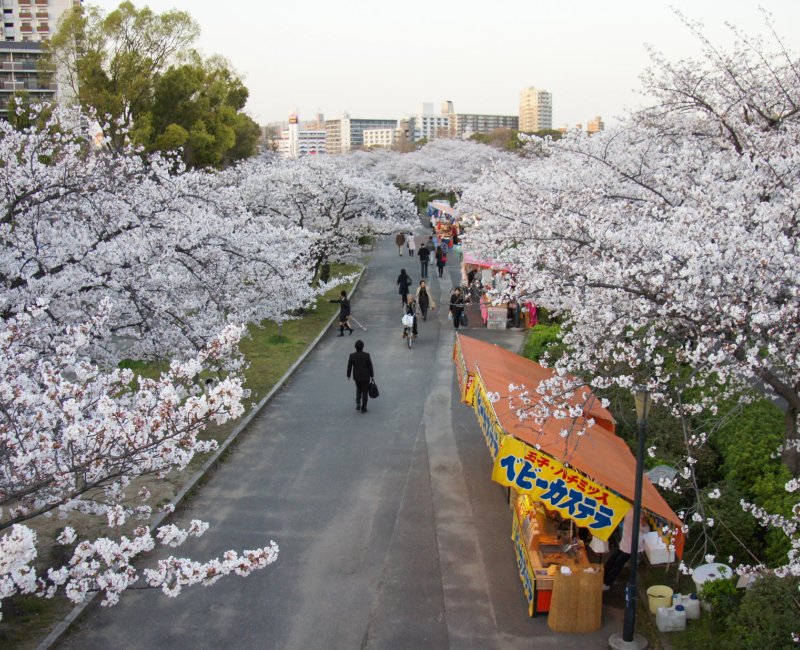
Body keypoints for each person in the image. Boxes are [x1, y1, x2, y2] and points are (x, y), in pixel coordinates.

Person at [603, 509, 649, 590]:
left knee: (614, 559)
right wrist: (645, 523)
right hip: (631, 545)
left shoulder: (629, 510)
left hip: (625, 541)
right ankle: (607, 582)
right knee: (618, 563)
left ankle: (603, 575)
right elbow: (645, 530)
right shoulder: (639, 516)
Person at [347, 339, 374, 414]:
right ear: (363, 347)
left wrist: (348, 375)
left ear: (355, 347)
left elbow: (349, 366)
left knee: (358, 389)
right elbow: (370, 366)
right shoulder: (366, 355)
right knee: (364, 392)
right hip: (366, 376)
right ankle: (363, 408)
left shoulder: (352, 355)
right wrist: (372, 375)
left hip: (357, 377)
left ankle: (358, 402)